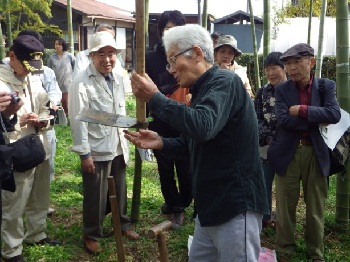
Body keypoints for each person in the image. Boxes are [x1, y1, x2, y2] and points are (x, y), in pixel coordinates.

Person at [126, 24, 268, 261]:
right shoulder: (203, 89)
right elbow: (193, 142)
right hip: (209, 207)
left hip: (234, 206)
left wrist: (155, 98)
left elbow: (203, 126)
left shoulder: (225, 81)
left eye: (173, 60)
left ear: (198, 53)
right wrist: (161, 142)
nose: (170, 69)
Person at [267, 43, 341, 262]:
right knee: (285, 204)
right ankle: (285, 250)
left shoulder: (326, 86)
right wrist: (318, 119)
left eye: (297, 62)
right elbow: (284, 119)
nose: (291, 68)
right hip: (288, 151)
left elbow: (334, 114)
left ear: (312, 62)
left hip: (315, 152)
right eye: (288, 63)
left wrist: (303, 110)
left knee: (316, 205)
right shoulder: (282, 89)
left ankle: (315, 252)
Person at [69, 31, 139, 255]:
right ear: (92, 55)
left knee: (120, 188)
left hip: (117, 142)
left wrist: (130, 126)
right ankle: (92, 233)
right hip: (97, 146)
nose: (107, 59)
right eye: (102, 54)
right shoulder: (81, 82)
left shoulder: (118, 77)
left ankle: (123, 224)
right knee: (96, 194)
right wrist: (84, 153)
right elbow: (77, 120)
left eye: (111, 53)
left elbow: (117, 110)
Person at [0, 34, 61, 262]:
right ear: (12, 55)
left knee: (40, 194)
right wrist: (12, 118)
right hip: (15, 149)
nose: (28, 72)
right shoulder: (1, 81)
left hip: (40, 144)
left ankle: (36, 233)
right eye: (25, 67)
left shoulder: (33, 76)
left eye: (32, 68)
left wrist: (42, 119)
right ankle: (12, 249)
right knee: (14, 201)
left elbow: (47, 106)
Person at [145, 10, 191, 228]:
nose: (171, 32)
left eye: (175, 28)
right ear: (160, 31)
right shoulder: (150, 58)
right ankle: (175, 207)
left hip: (184, 118)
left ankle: (183, 200)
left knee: (186, 168)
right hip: (160, 119)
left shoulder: (188, 55)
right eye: (167, 28)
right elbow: (145, 89)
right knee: (165, 168)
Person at [254, 52, 287, 228]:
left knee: (285, 187)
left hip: (289, 146)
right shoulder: (262, 92)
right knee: (264, 182)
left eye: (274, 68)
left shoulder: (292, 90)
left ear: (284, 68)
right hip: (266, 145)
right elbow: (256, 118)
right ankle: (265, 216)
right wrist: (267, 137)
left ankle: (283, 219)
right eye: (267, 69)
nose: (270, 73)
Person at [47, 38, 75, 116]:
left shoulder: (69, 56)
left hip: (67, 84)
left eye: (59, 44)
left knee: (65, 102)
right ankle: (59, 117)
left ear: (63, 45)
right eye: (56, 44)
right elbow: (48, 71)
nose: (57, 46)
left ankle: (68, 117)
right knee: (55, 102)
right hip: (56, 84)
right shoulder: (51, 58)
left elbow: (76, 67)